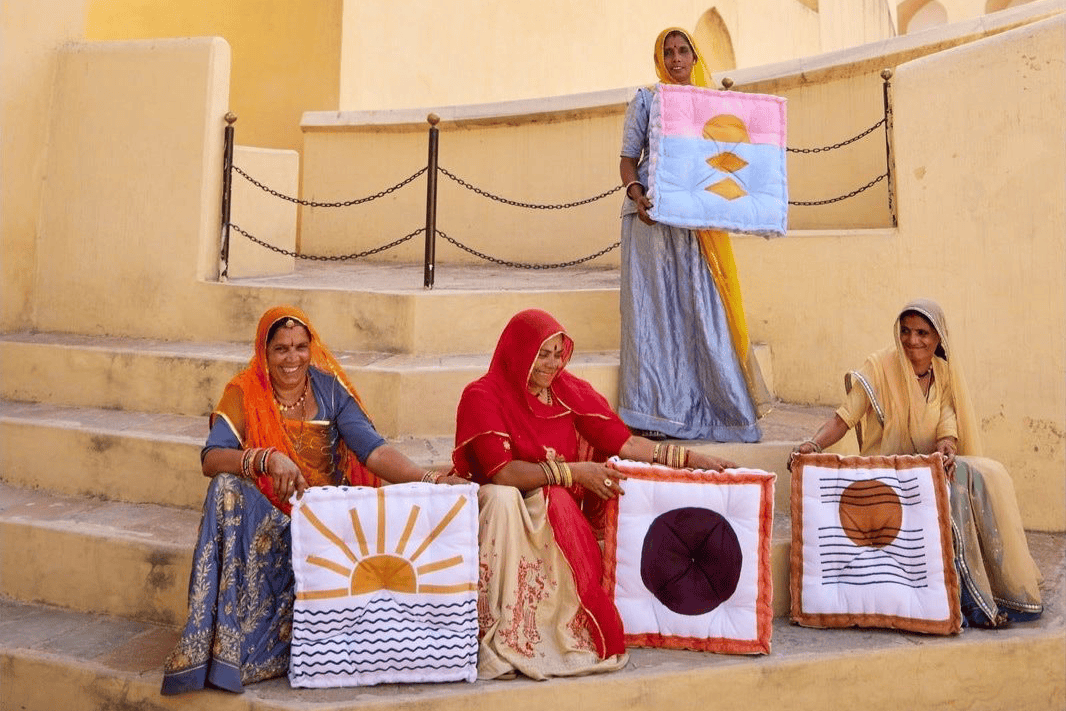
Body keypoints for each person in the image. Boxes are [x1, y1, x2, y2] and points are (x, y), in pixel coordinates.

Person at [161, 305, 465, 695]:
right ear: (264, 352)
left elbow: (372, 451)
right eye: (281, 349)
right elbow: (211, 458)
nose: (292, 358)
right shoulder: (244, 392)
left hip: (322, 526)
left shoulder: (328, 388)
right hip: (267, 521)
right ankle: (217, 645)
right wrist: (267, 458)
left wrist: (429, 478)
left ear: (311, 347)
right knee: (224, 488)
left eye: (300, 347)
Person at [453, 309, 735, 680]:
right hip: (501, 511)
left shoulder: (568, 393)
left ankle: (541, 638)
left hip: (554, 514)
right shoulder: (483, 395)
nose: (552, 365)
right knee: (503, 499)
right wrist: (573, 472)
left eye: (558, 354)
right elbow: (501, 473)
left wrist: (689, 458)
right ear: (518, 351)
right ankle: (500, 640)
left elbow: (626, 442)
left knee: (553, 501)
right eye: (542, 354)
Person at [789, 298, 1043, 628]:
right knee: (950, 490)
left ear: (939, 338)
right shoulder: (880, 366)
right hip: (886, 476)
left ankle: (978, 594)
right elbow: (844, 418)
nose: (913, 340)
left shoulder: (944, 373)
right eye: (906, 331)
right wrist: (813, 444)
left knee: (977, 477)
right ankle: (967, 602)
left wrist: (945, 451)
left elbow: (947, 427)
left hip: (926, 471)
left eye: (923, 333)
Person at [618, 27, 771, 443]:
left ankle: (720, 409)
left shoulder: (713, 107)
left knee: (701, 306)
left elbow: (728, 159)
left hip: (696, 221)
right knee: (654, 313)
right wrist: (637, 194)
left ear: (695, 57)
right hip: (650, 217)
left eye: (683, 50)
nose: (675, 58)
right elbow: (629, 159)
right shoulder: (647, 100)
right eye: (667, 52)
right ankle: (655, 412)